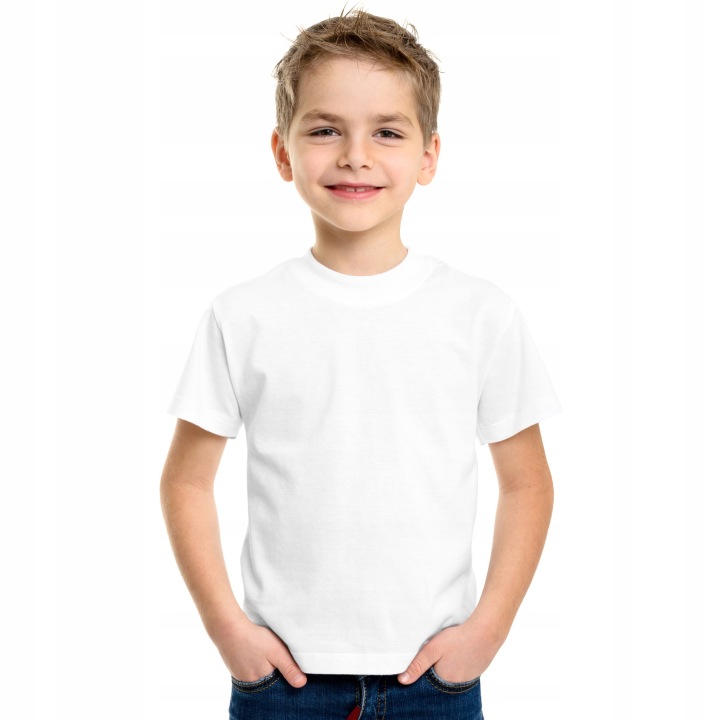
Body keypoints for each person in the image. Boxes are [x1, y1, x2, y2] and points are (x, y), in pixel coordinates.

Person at [160, 8, 562, 720]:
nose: (355, 155)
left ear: (429, 156)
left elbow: (527, 483)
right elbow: (187, 481)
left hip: (434, 681)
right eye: (324, 130)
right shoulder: (242, 315)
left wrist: (489, 631)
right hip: (282, 683)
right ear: (282, 153)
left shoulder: (481, 313)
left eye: (387, 131)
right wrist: (227, 630)